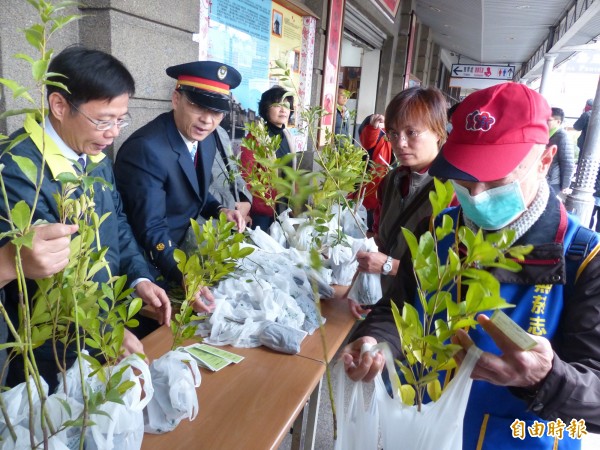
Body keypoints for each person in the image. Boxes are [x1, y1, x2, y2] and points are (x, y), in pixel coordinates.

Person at [342, 82, 600, 449]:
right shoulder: (438, 230)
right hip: (426, 433)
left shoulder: (583, 257)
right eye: (464, 173)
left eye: (495, 176)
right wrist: (375, 339)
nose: (476, 192)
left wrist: (545, 378)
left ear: (545, 161)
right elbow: (398, 307)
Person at [0, 46, 171, 391]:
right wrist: (106, 329)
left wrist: (139, 276)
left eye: (121, 119)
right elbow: (50, 272)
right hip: (50, 346)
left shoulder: (91, 154)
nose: (113, 133)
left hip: (98, 325)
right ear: (60, 106)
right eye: (103, 119)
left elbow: (117, 222)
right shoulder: (18, 169)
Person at [114, 60, 251, 310]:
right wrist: (184, 274)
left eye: (217, 112)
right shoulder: (147, 149)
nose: (207, 120)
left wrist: (220, 211)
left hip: (178, 257)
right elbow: (151, 229)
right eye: (198, 106)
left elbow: (196, 191)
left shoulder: (203, 138)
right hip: (148, 268)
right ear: (176, 99)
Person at [351, 87, 447, 319]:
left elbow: (449, 272)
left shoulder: (455, 191)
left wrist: (388, 266)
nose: (400, 143)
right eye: (393, 133)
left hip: (424, 313)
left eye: (412, 132)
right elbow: (380, 239)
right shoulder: (392, 180)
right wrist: (360, 283)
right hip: (384, 304)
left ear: (438, 132)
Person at [240, 86, 296, 231]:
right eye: (277, 105)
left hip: (284, 208)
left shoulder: (288, 137)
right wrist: (247, 209)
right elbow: (245, 175)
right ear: (266, 109)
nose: (283, 110)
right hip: (262, 211)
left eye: (286, 105)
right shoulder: (255, 138)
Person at [356, 113, 392, 233]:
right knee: (369, 218)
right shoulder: (373, 135)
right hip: (372, 184)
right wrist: (373, 127)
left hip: (385, 182)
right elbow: (369, 139)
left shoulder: (389, 136)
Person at [546, 107, 575, 195]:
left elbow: (568, 163)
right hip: (544, 178)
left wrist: (565, 185)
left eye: (548, 120)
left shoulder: (563, 137)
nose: (545, 122)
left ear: (558, 122)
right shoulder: (548, 135)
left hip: (553, 181)